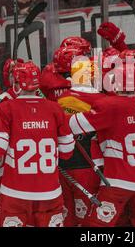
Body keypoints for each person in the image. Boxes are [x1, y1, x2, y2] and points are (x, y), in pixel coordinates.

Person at [0, 61, 75, 227]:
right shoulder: (55, 109)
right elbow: (68, 151)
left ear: (16, 82)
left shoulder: (6, 108)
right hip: (49, 193)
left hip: (15, 194)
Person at [68, 64, 135, 227]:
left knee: (96, 225)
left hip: (118, 182)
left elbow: (71, 125)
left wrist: (52, 112)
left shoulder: (109, 105)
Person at [56, 58, 106, 226]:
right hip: (89, 166)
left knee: (66, 216)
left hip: (62, 165)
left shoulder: (61, 98)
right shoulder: (101, 100)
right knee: (87, 217)